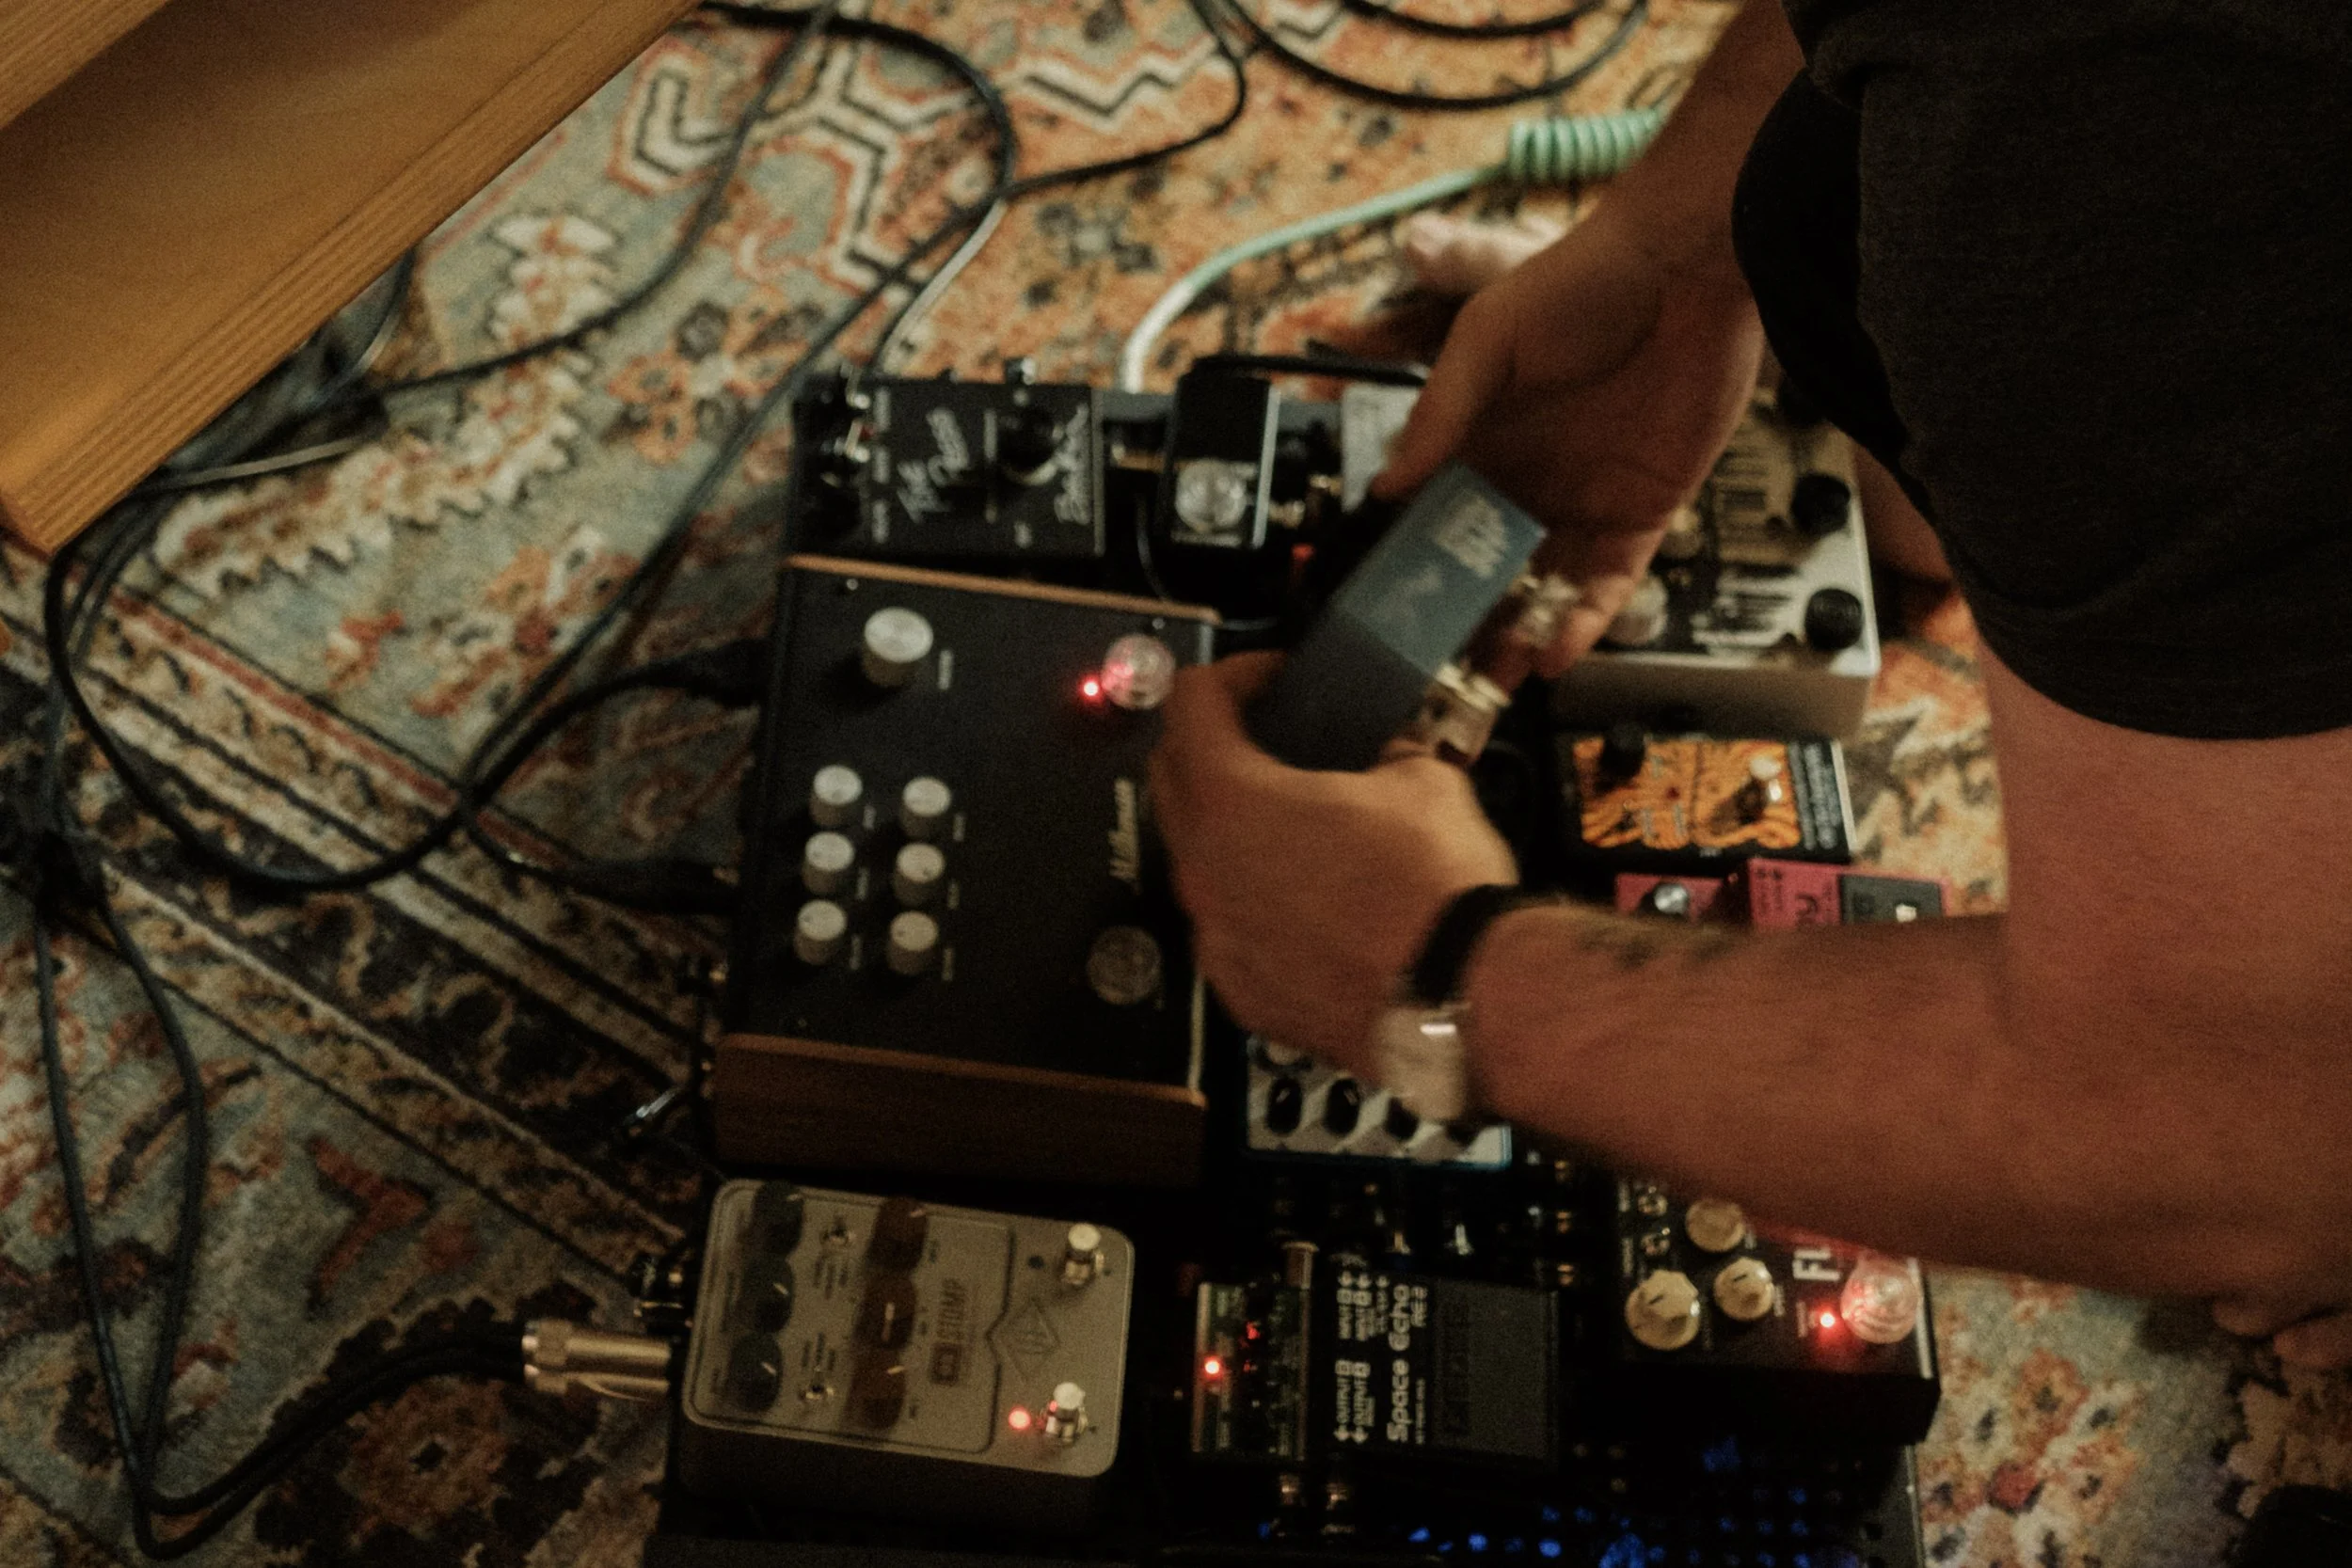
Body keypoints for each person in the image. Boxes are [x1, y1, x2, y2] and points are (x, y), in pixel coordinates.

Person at [1150, 0, 2352, 1367]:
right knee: (1869, 370)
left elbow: (2185, 1119)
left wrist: (1438, 977)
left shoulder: (2119, 187)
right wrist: (1674, 260)